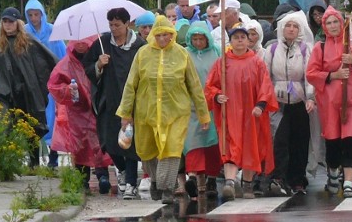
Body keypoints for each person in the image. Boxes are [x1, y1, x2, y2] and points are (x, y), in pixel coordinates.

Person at [116, 15, 211, 204]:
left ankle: (167, 189)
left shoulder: (181, 54)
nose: (162, 39)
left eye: (166, 35)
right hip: (146, 113)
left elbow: (194, 85)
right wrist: (125, 114)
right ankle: (155, 180)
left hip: (175, 113)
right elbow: (130, 85)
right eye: (158, 35)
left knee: (171, 150)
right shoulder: (142, 54)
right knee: (147, 151)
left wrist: (203, 114)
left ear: (172, 35)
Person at [306, 6, 352, 198]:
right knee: (333, 141)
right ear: (324, 26)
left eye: (336, 21)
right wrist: (332, 75)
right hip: (329, 103)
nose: (333, 25)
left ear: (342, 23)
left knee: (351, 139)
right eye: (329, 23)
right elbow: (311, 74)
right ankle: (333, 172)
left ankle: (348, 181)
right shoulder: (319, 47)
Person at [205, 26, 278, 201]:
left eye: (243, 37)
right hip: (230, 113)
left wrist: (261, 105)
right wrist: (217, 96)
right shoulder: (222, 63)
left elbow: (265, 85)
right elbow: (210, 86)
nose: (239, 40)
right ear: (230, 41)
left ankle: (247, 184)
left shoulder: (257, 63)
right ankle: (230, 182)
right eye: (236, 37)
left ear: (248, 41)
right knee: (230, 146)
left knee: (250, 148)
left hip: (251, 115)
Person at [82, 8, 146, 197]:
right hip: (109, 100)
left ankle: (132, 183)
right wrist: (99, 65)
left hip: (132, 102)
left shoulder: (140, 47)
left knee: (130, 143)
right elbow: (88, 68)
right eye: (111, 25)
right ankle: (123, 171)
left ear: (128, 24)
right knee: (110, 142)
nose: (114, 29)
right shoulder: (102, 44)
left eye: (117, 25)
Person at [0, 7, 58, 168]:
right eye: (5, 21)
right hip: (6, 94)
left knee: (33, 125)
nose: (8, 25)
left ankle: (33, 163)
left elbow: (46, 62)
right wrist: (1, 91)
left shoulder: (28, 42)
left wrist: (41, 88)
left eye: (11, 21)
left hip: (28, 91)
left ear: (17, 23)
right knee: (5, 126)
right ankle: (4, 164)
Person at [47, 36, 113, 190]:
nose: (81, 44)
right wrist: (68, 91)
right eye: (77, 41)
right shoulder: (66, 64)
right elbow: (54, 85)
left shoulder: (99, 57)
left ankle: (103, 174)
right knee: (80, 144)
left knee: (99, 142)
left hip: (97, 107)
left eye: (84, 41)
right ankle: (82, 177)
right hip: (76, 111)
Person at [264, 10, 315, 195]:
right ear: (281, 28)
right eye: (288, 26)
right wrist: (267, 98)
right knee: (280, 140)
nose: (291, 29)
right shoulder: (271, 49)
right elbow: (266, 76)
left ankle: (297, 180)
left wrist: (310, 97)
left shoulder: (305, 49)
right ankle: (278, 177)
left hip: (299, 101)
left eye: (295, 26)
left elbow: (309, 76)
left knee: (300, 142)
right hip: (278, 102)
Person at [24, 0, 67, 168]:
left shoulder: (52, 31)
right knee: (34, 119)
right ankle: (33, 160)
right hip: (33, 83)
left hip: (52, 82)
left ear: (42, 14)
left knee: (53, 120)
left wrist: (64, 77)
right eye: (30, 15)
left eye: (36, 14)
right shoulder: (25, 33)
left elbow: (62, 55)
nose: (34, 18)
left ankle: (53, 159)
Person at [183, 22, 222, 200]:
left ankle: (212, 178)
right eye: (195, 39)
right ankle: (192, 175)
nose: (198, 42)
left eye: (201, 39)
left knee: (212, 144)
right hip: (191, 106)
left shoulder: (217, 53)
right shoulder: (185, 54)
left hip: (213, 104)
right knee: (192, 141)